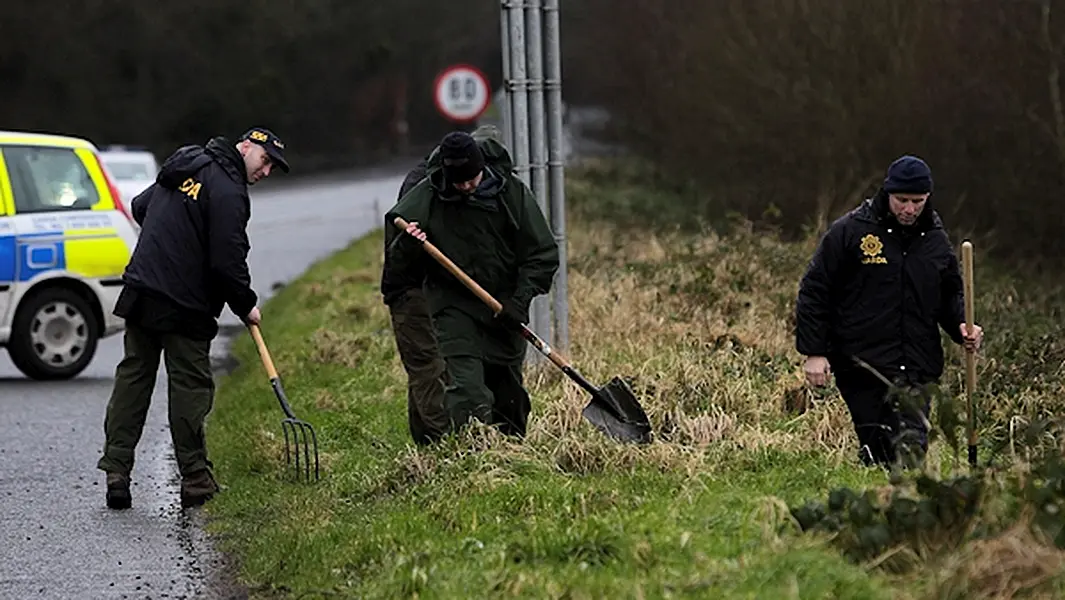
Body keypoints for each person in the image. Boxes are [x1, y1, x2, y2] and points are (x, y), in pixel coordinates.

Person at [96, 127, 290, 509]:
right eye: (265, 161)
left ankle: (116, 472)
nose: (265, 172)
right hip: (184, 303)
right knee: (189, 387)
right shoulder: (230, 192)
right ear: (245, 147)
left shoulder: (186, 165)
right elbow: (226, 260)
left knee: (133, 379)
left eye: (272, 168)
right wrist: (246, 304)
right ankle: (196, 479)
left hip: (142, 290)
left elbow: (140, 206)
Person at [794, 155, 984, 468]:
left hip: (917, 363)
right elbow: (815, 291)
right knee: (879, 448)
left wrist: (963, 326)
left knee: (911, 450)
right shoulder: (850, 232)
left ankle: (906, 509)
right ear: (887, 193)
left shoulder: (936, 241)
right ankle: (873, 505)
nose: (909, 209)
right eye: (902, 200)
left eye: (917, 201)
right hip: (861, 364)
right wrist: (814, 352)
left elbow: (949, 295)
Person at [385, 126, 559, 439]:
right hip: (453, 305)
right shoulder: (427, 195)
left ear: (482, 169)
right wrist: (408, 245)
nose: (465, 186)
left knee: (507, 390)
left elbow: (542, 254)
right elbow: (397, 262)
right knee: (466, 387)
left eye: (471, 179)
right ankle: (473, 456)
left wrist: (520, 300)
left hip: (503, 304)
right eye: (458, 181)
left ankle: (511, 450)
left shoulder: (511, 194)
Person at [380, 156, 451, 445]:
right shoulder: (420, 187)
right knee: (429, 367)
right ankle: (443, 442)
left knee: (428, 367)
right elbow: (402, 255)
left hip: (433, 288)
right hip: (410, 290)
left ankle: (425, 441)